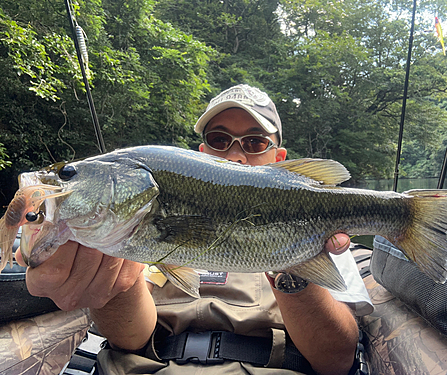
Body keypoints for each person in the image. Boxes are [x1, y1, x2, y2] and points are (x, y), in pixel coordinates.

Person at [15, 84, 373, 375]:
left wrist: (294, 268)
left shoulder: (324, 232)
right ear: (200, 152)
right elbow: (132, 337)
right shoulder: (130, 225)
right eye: (220, 140)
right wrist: (110, 287)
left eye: (254, 142)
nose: (235, 155)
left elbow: (336, 361)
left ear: (279, 159)